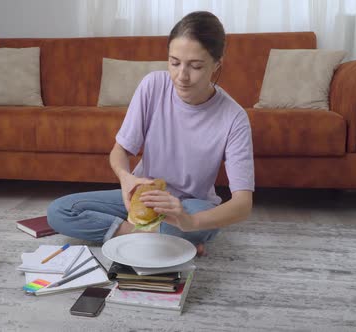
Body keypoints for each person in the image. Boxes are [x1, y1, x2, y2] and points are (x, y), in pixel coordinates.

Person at [47, 11, 254, 256]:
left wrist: (190, 223)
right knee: (60, 211)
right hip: (144, 197)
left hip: (189, 204)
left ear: (217, 64)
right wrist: (126, 180)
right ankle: (156, 238)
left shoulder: (234, 117)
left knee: (200, 221)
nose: (181, 76)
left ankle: (167, 236)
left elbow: (242, 204)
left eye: (196, 66)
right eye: (174, 62)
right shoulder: (152, 85)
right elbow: (120, 151)